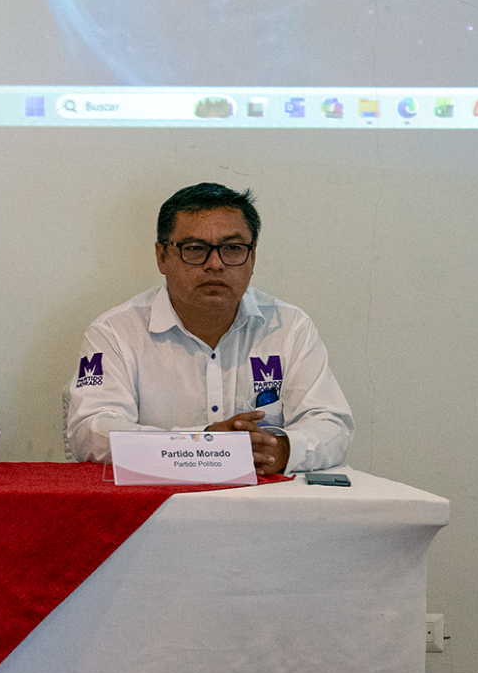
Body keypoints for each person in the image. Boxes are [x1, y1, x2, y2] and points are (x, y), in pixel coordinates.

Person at [64, 182, 353, 476]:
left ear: (252, 257)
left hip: (266, 500)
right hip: (159, 501)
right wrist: (201, 443)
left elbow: (332, 424)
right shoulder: (114, 332)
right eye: (195, 249)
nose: (215, 264)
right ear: (162, 257)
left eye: (233, 249)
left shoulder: (289, 327)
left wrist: (282, 450)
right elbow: (91, 431)